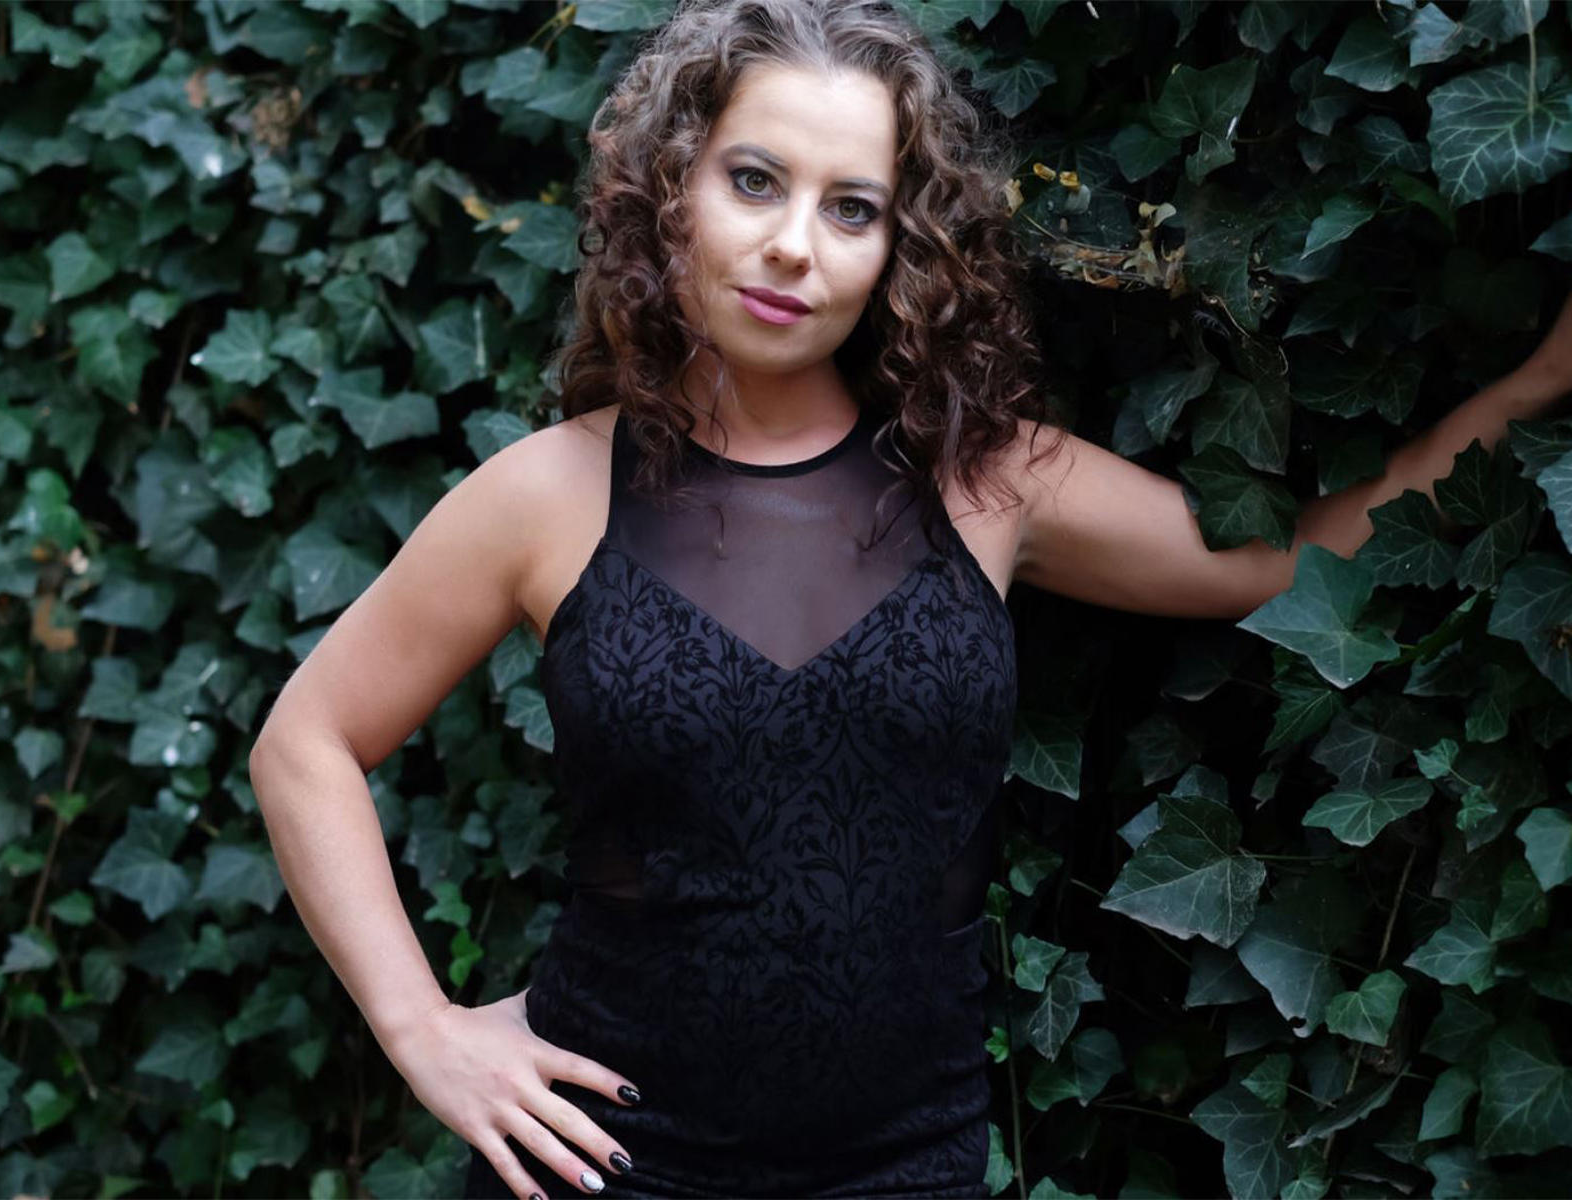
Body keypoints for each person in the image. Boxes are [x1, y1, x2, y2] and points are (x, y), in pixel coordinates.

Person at [247, 0, 1572, 1197]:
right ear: (671, 191)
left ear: (901, 244)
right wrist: (424, 1030)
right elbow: (307, 743)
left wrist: (1533, 388)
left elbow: (1292, 565)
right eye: (753, 181)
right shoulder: (545, 494)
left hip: (903, 1169)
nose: (792, 246)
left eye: (852, 208)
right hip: (607, 1162)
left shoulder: (988, 479)